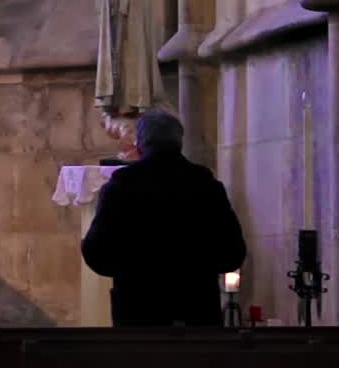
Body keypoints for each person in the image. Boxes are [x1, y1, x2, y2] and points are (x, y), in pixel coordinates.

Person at [81, 110, 246, 327]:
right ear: (179, 143)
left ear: (139, 146)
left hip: (138, 308)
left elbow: (96, 251)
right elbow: (233, 252)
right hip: (196, 307)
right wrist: (196, 268)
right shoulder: (205, 185)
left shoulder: (122, 186)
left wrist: (132, 270)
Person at [95, 0, 164, 116]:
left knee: (134, 61)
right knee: (118, 62)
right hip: (116, 25)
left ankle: (135, 102)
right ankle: (115, 102)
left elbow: (142, 0)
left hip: (134, 26)